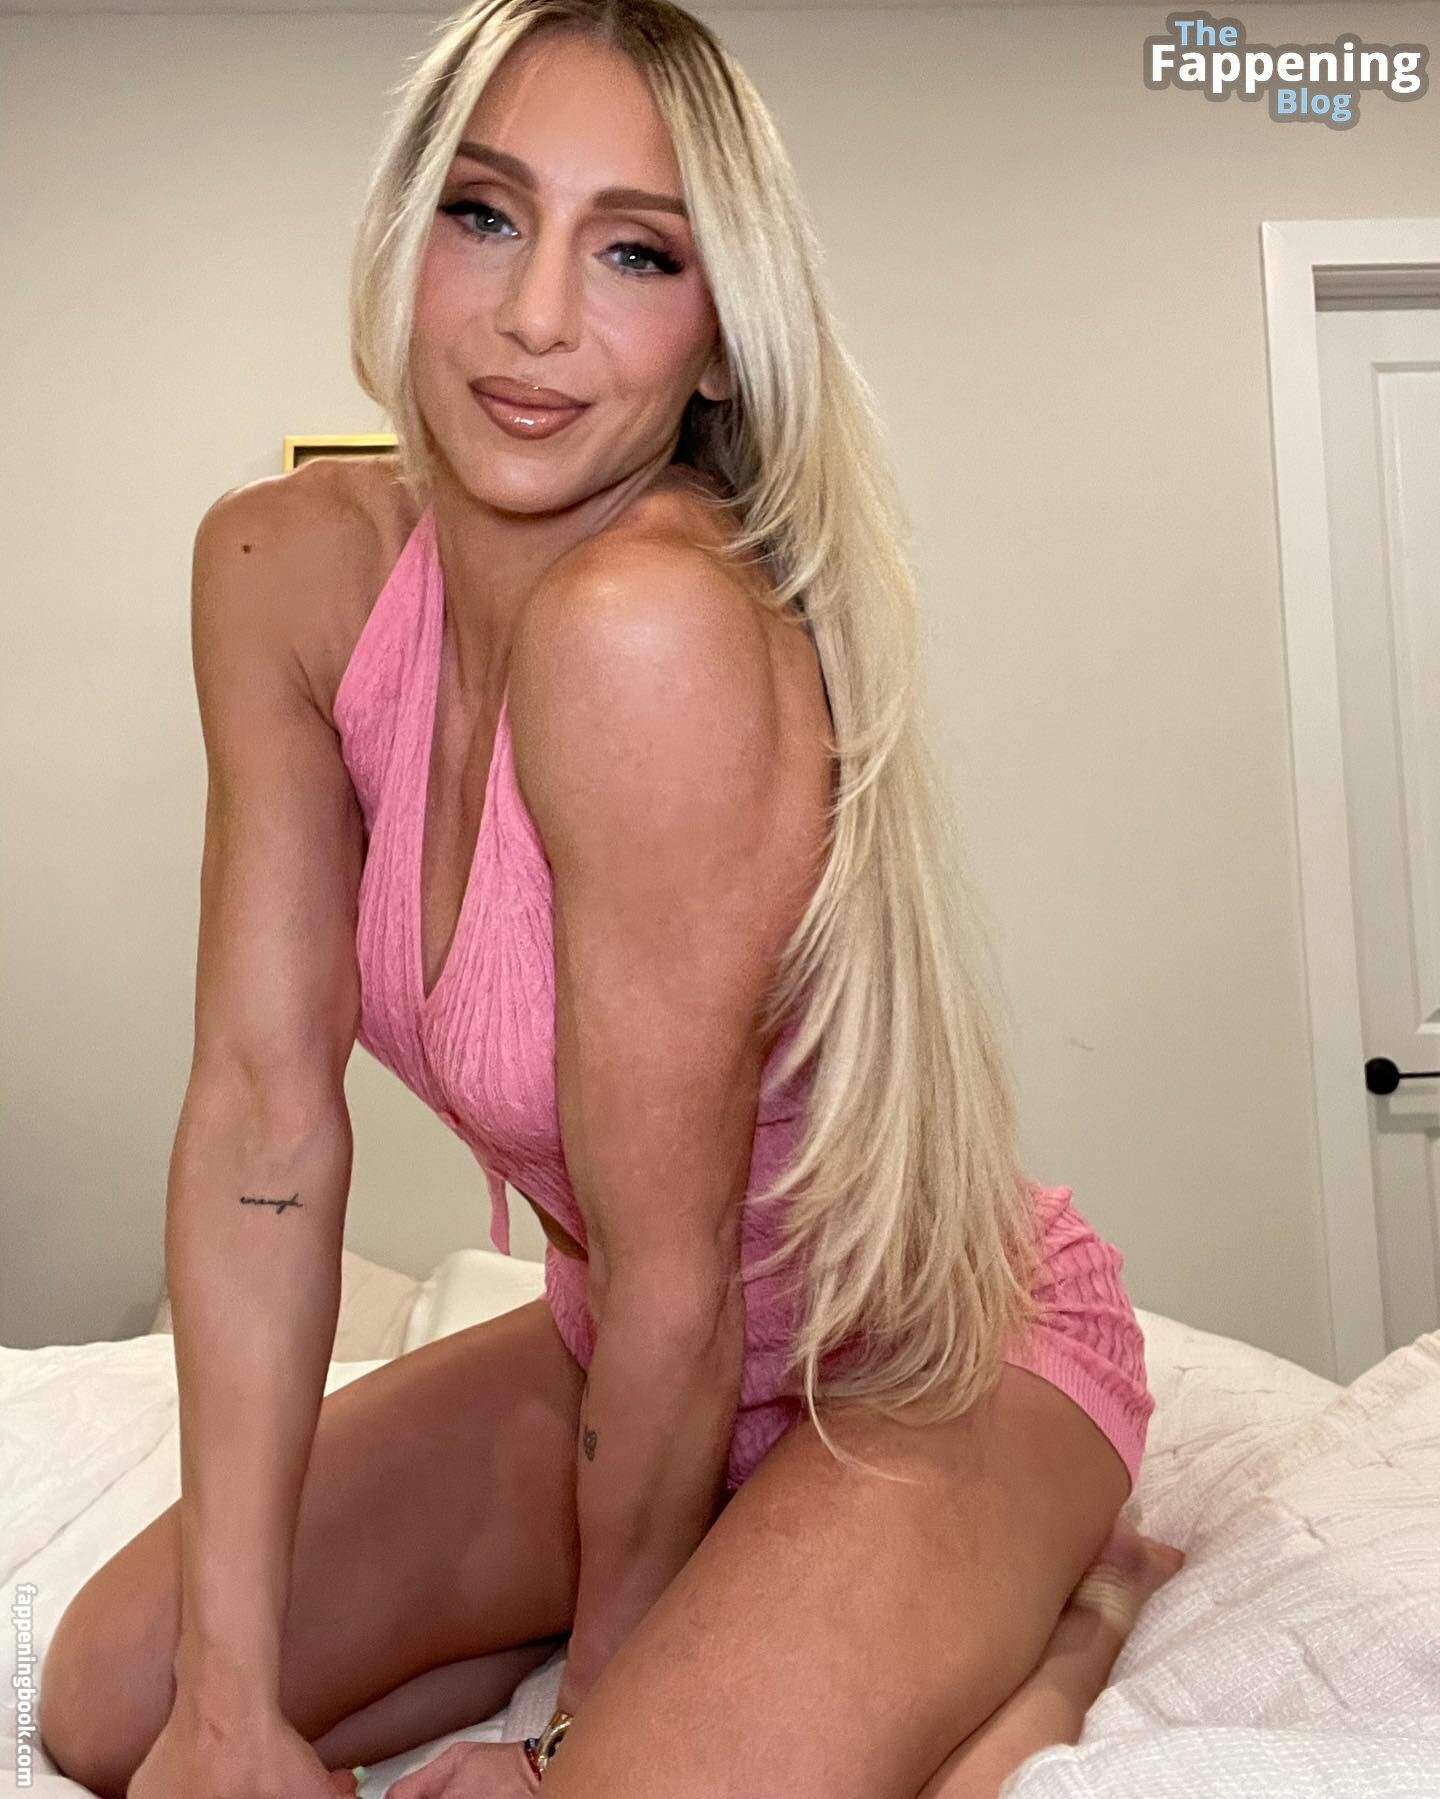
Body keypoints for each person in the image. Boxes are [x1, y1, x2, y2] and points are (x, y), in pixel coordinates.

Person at [38, 2, 1184, 1795]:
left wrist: (571, 1746)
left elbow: (679, 1281)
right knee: (114, 1704)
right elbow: (264, 1119)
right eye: (485, 215)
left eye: (637, 252)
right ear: (406, 231)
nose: (536, 316)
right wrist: (229, 1708)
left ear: (721, 342)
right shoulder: (279, 575)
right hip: (621, 1351)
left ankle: (1063, 1634)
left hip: (926, 1359)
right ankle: (705, 1598)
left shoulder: (654, 629)